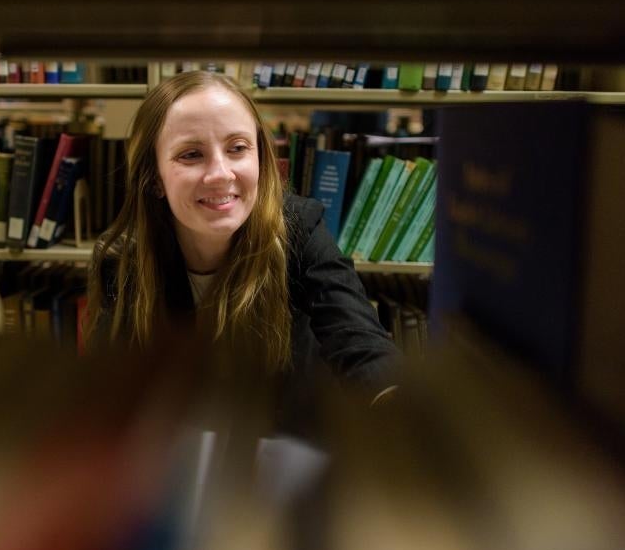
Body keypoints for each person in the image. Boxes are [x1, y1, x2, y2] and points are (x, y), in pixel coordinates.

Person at [86, 70, 399, 434]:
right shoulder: (123, 260)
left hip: (286, 458)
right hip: (177, 464)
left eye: (237, 148)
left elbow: (360, 341)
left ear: (260, 159)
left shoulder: (299, 229)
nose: (220, 174)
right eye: (191, 154)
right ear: (155, 177)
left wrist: (398, 407)